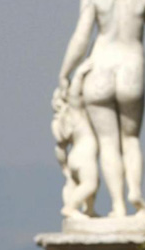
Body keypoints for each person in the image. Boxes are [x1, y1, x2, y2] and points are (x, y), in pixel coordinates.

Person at [58, 0, 145, 218]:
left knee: (108, 143)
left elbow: (81, 37)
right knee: (130, 139)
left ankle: (118, 206)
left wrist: (65, 73)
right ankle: (135, 191)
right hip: (131, 66)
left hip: (100, 67)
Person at [52, 60, 99, 219]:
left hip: (76, 157)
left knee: (91, 183)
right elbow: (74, 96)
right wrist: (80, 74)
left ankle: (89, 210)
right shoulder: (77, 114)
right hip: (83, 156)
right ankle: (70, 208)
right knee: (90, 184)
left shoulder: (71, 119)